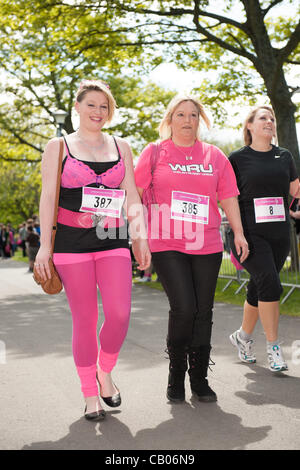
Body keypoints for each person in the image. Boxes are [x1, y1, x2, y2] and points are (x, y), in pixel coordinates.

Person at [35, 79, 151, 421]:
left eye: (104, 106)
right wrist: (44, 246)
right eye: (91, 105)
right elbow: (47, 197)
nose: (97, 111)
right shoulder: (58, 147)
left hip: (113, 239)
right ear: (77, 107)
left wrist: (140, 236)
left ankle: (105, 370)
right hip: (71, 244)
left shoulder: (122, 146)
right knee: (85, 320)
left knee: (119, 314)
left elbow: (132, 194)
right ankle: (90, 394)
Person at [134, 94, 248, 403]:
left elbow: (228, 197)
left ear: (200, 120)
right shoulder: (155, 152)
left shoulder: (214, 156)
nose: (187, 120)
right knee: (184, 308)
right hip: (166, 242)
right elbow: (134, 193)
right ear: (170, 119)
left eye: (193, 115)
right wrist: (138, 237)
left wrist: (238, 232)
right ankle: (176, 374)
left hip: (207, 242)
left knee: (203, 311)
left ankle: (199, 379)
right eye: (181, 115)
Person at [228, 105, 300, 372]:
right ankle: (274, 347)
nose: (269, 121)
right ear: (249, 126)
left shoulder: (284, 156)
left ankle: (242, 338)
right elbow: (226, 195)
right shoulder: (237, 158)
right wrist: (236, 232)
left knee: (259, 286)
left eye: (272, 118)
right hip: (248, 234)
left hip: (280, 233)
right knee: (270, 282)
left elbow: (295, 189)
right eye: (263, 118)